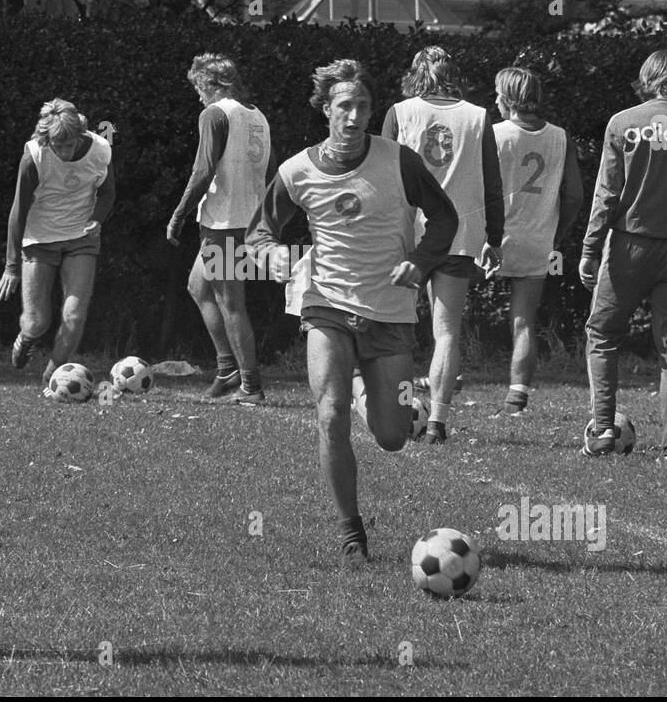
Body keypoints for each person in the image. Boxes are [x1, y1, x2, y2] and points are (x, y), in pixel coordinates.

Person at [248, 59, 457, 566]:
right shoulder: (296, 171)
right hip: (326, 306)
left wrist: (421, 261)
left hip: (390, 312)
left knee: (393, 436)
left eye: (363, 105)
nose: (355, 115)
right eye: (344, 105)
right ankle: (351, 535)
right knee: (330, 414)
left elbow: (446, 218)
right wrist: (271, 254)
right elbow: (259, 233)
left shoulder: (400, 161)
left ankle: (364, 389)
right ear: (326, 109)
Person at [579, 49, 667, 462]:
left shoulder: (622, 123)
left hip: (630, 246)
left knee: (602, 335)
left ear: (646, 79)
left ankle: (603, 430)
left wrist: (590, 248)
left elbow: (606, 194)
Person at [382, 46, 504, 444]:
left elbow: (379, 175)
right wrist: (495, 238)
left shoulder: (400, 112)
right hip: (460, 233)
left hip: (409, 233)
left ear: (416, 75)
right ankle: (437, 422)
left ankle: (397, 408)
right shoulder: (479, 116)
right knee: (447, 330)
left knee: (396, 326)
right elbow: (493, 184)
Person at [167, 54, 272, 403]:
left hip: (224, 222)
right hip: (249, 219)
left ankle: (251, 387)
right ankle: (228, 369)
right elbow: (270, 168)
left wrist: (179, 214)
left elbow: (203, 170)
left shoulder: (214, 114)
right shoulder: (258, 115)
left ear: (213, 84)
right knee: (198, 285)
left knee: (231, 304)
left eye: (199, 88)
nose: (198, 96)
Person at [0, 99, 115, 393]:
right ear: (46, 139)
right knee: (37, 322)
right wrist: (11, 266)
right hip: (39, 239)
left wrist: (97, 219)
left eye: (69, 145)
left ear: (80, 135)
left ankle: (52, 378)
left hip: (81, 237)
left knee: (74, 315)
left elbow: (108, 193)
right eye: (57, 146)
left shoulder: (100, 149)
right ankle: (27, 337)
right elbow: (18, 211)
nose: (64, 152)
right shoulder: (34, 156)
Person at [491, 66, 583, 415]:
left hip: (492, 236)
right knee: (524, 320)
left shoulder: (494, 134)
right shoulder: (560, 137)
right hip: (538, 239)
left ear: (508, 98)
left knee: (450, 313)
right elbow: (574, 195)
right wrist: (556, 232)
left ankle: (447, 379)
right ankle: (517, 398)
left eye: (498, 94)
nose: (495, 100)